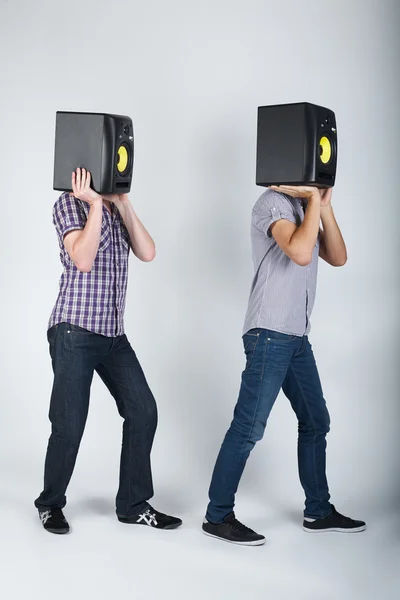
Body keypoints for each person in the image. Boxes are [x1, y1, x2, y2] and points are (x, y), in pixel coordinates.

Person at [202, 184, 366, 545]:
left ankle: (318, 511)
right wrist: (310, 203)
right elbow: (300, 252)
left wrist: (322, 206)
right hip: (269, 335)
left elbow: (337, 256)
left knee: (316, 419)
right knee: (248, 428)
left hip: (295, 338)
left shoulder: (304, 207)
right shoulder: (271, 203)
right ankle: (217, 516)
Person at [35, 168, 182, 534]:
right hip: (74, 331)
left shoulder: (117, 210)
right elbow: (83, 260)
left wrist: (123, 203)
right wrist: (95, 205)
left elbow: (147, 252)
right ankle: (50, 504)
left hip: (113, 335)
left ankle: (132, 504)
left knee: (143, 411)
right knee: (69, 425)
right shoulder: (68, 205)